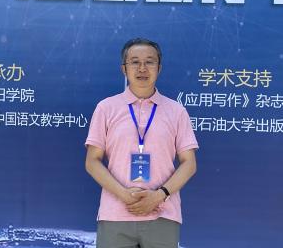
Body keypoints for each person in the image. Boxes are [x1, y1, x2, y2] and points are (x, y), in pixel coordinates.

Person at [84, 38, 198, 248]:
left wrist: (159, 196)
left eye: (149, 62)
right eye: (135, 62)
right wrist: (124, 195)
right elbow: (92, 161)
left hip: (163, 214)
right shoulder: (106, 108)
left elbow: (189, 163)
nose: (142, 68)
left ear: (159, 68)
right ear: (124, 69)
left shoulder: (176, 111)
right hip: (115, 213)